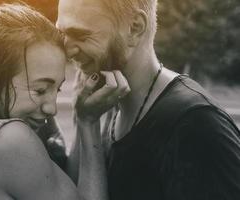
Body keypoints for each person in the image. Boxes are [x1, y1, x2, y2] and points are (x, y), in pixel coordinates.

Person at [0, 3, 130, 200]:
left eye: (57, 89)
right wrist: (89, 124)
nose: (52, 108)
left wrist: (79, 116)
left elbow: (65, 189)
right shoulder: (9, 140)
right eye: (40, 90)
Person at [57, 0, 240, 199]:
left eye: (81, 35)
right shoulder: (108, 100)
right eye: (62, 34)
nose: (67, 50)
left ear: (135, 28)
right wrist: (83, 120)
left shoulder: (197, 125)